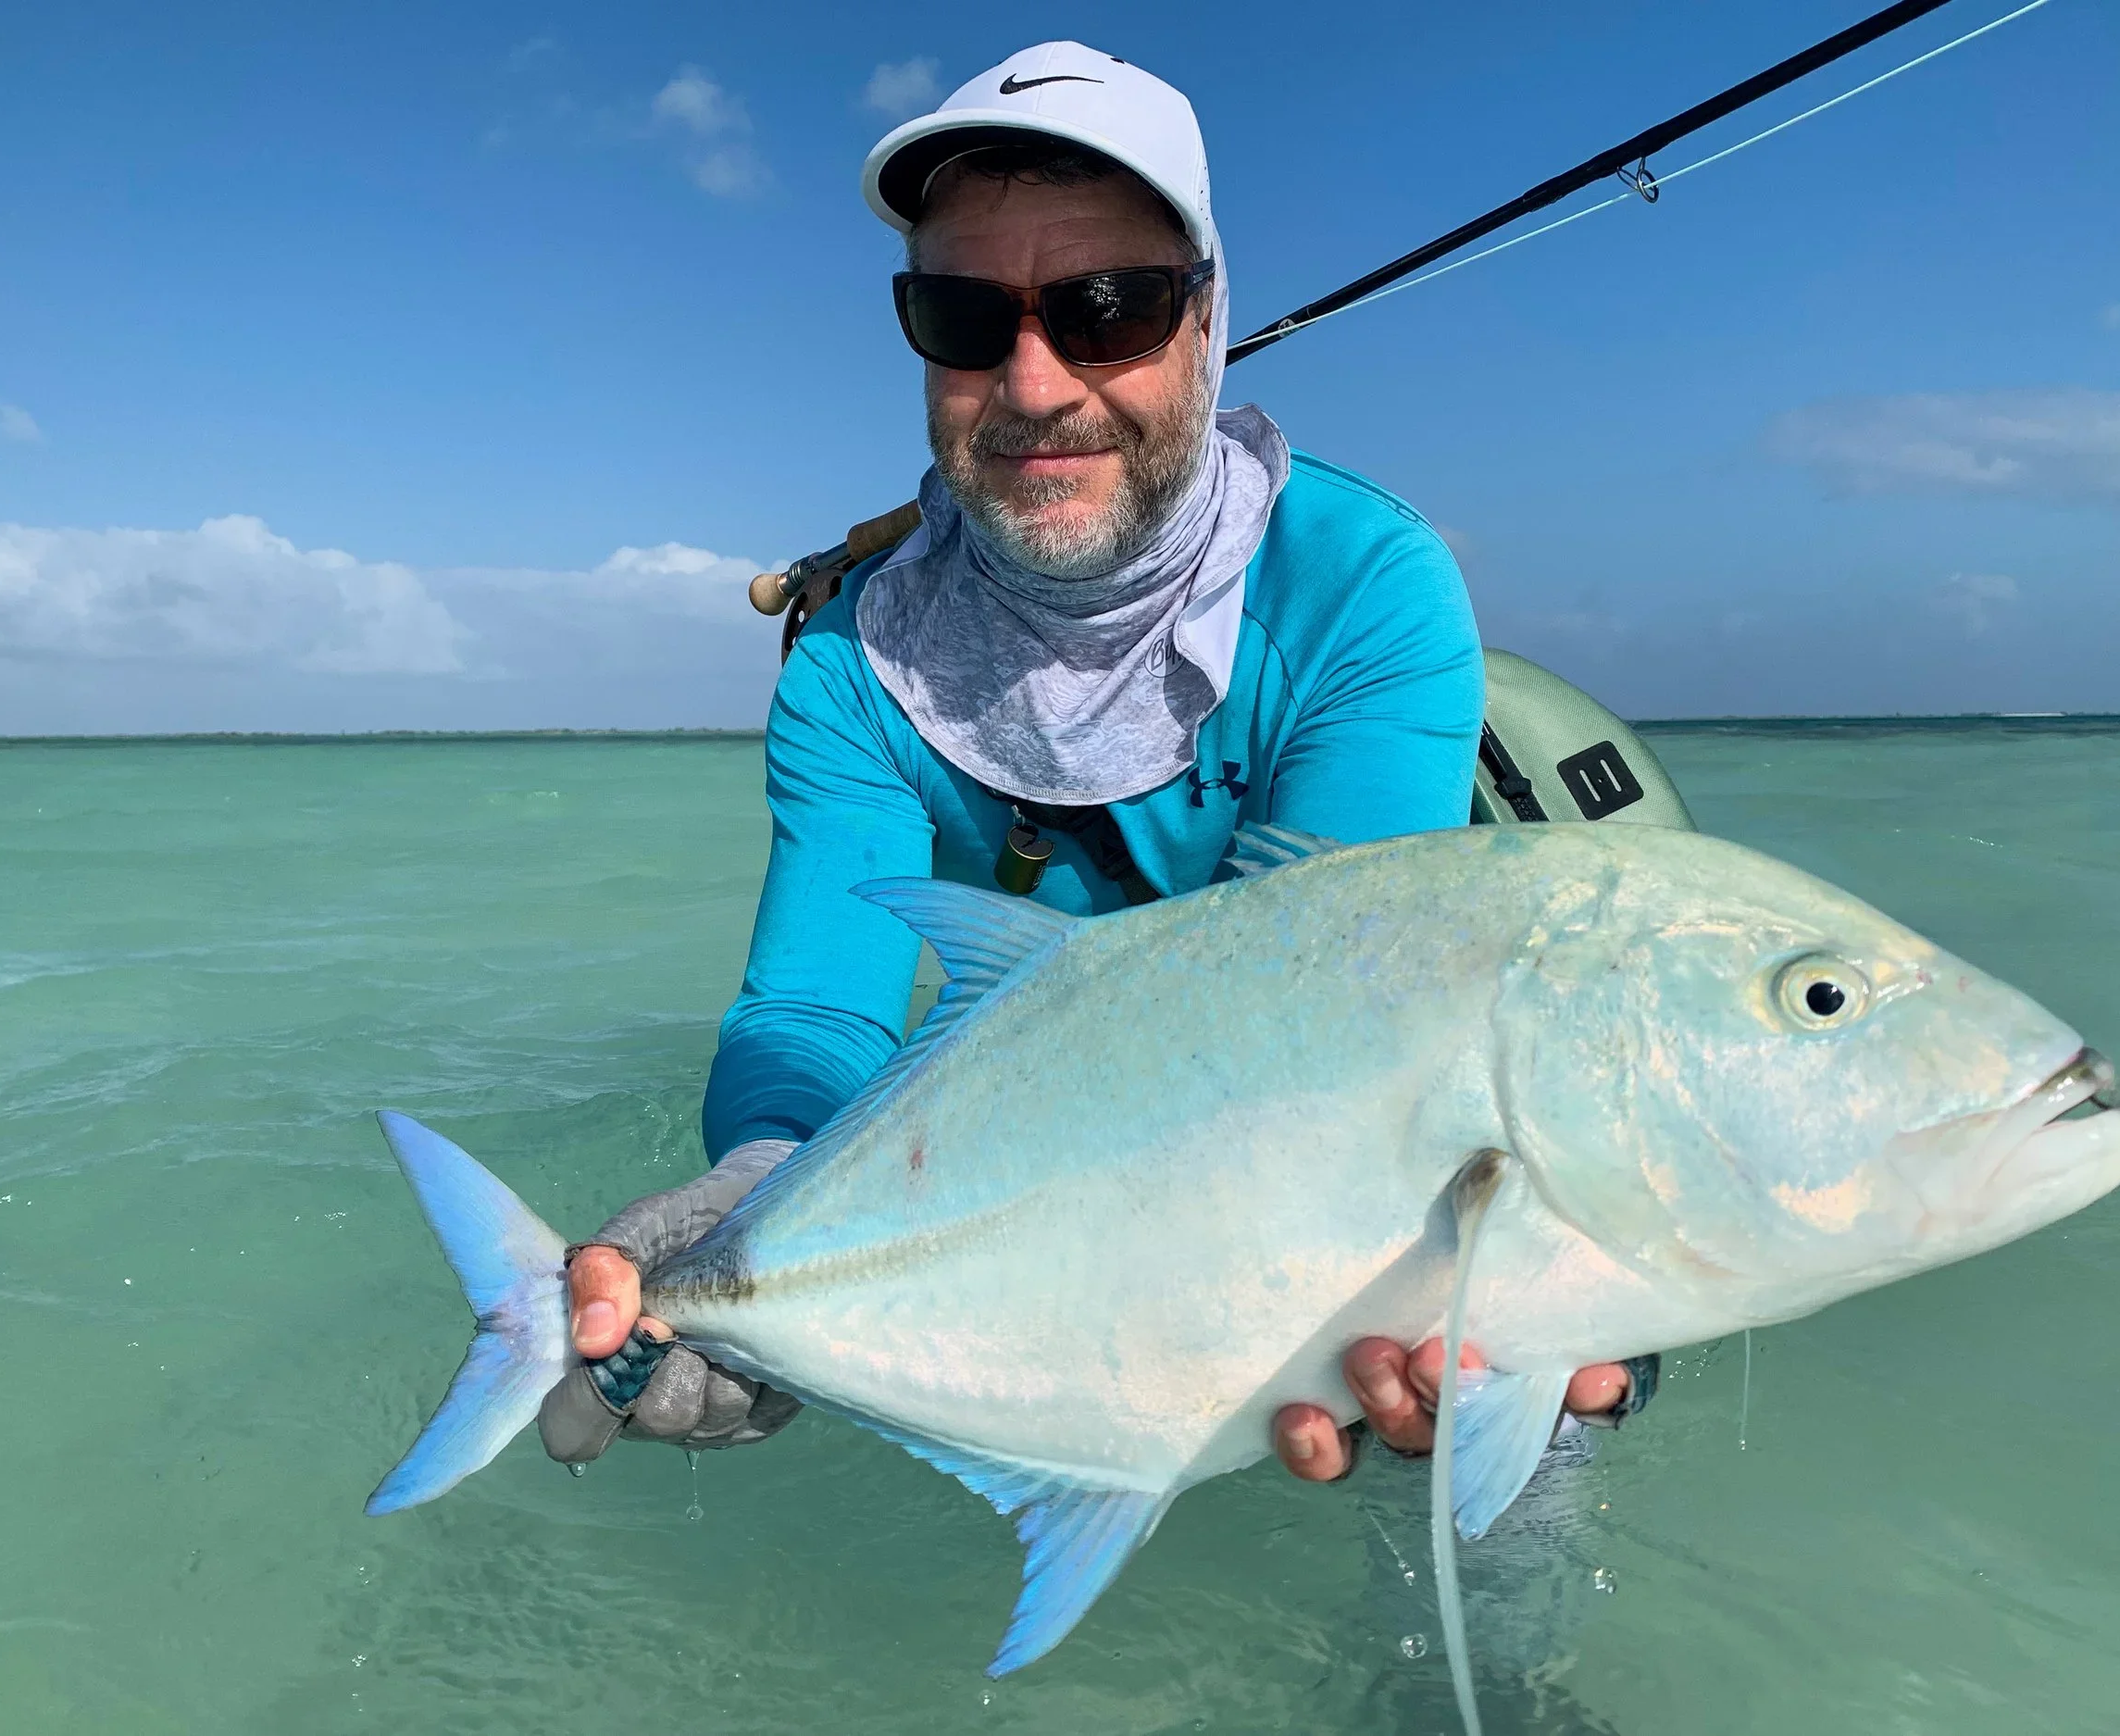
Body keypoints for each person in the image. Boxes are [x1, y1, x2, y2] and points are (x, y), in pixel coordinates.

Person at [537, 42, 1649, 1485]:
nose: (1033, 380)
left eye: (1108, 308)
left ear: (1208, 322)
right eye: (963, 315)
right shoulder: (847, 666)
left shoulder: (1361, 582)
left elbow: (1338, 1019)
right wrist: (757, 1190)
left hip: (1300, 1121)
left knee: (1517, 1402)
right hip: (1057, 1152)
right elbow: (818, 1001)